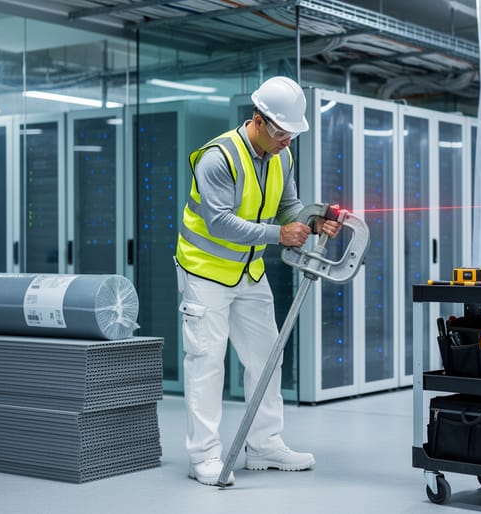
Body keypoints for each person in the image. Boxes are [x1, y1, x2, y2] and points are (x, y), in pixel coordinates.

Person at [175, 76, 342, 486]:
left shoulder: (282, 157)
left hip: (248, 272)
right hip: (205, 271)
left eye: (293, 134)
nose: (288, 141)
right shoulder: (219, 157)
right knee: (207, 363)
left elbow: (288, 207)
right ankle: (204, 457)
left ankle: (264, 444)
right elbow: (219, 222)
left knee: (267, 356)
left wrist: (313, 222)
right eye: (283, 133)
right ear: (259, 120)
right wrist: (278, 236)